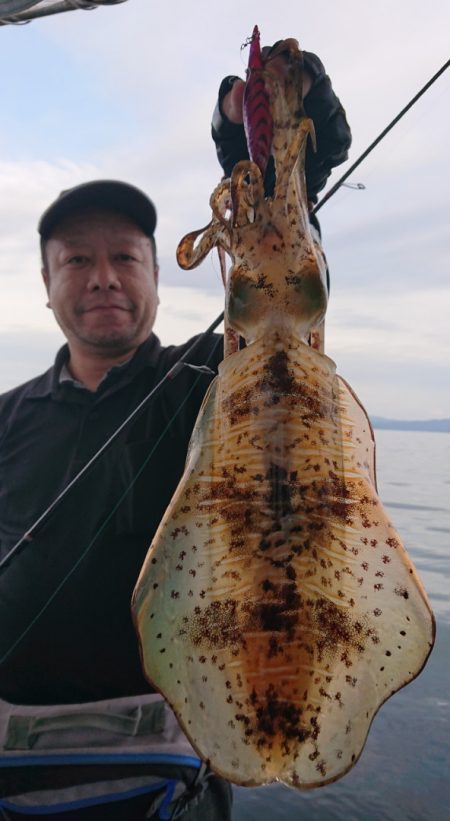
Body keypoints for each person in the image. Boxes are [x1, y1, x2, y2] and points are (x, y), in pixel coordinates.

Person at [0, 44, 351, 821]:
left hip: (166, 787)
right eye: (77, 260)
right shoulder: (6, 418)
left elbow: (281, 302)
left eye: (125, 258)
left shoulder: (209, 379)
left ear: (158, 277)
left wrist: (262, 150)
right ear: (46, 282)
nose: (103, 277)